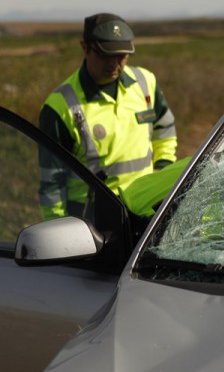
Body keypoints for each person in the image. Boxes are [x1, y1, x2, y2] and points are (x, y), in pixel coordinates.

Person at [38, 13, 177, 219]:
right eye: (105, 55)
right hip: (92, 219)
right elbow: (52, 184)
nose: (114, 64)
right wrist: (58, 232)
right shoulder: (60, 106)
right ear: (85, 47)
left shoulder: (145, 82)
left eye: (121, 56)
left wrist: (162, 175)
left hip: (146, 208)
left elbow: (165, 130)